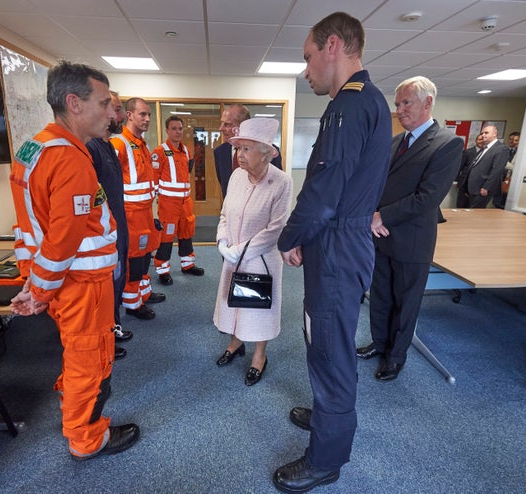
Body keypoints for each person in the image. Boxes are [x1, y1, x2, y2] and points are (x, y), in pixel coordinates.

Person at [274, 12, 391, 493]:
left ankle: (326, 458)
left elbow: (322, 191)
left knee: (330, 351)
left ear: (334, 46)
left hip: (339, 245)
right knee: (325, 342)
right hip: (342, 241)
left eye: (307, 57)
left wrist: (289, 236)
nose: (306, 70)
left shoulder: (350, 105)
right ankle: (329, 419)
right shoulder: (368, 101)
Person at [8, 60, 139, 460]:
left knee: (75, 351)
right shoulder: (69, 158)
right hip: (80, 284)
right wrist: (40, 292)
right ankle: (87, 438)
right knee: (90, 357)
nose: (110, 113)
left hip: (58, 280)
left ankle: (75, 408)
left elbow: (34, 226)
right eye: (103, 103)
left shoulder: (34, 146)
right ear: (73, 103)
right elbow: (63, 238)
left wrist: (35, 284)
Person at [357, 76, 462, 381]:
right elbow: (377, 185)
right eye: (398, 104)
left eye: (406, 103)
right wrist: (371, 215)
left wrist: (381, 216)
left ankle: (396, 356)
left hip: (411, 238)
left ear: (428, 102)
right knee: (379, 295)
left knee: (406, 301)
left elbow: (427, 198)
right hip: (380, 235)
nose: (400, 109)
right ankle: (379, 343)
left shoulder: (447, 143)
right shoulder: (394, 142)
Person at [213, 118, 292, 386]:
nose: (239, 155)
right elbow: (225, 213)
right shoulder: (236, 176)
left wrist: (240, 251)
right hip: (232, 254)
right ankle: (236, 343)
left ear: (266, 153)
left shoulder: (281, 182)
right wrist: (223, 240)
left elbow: (275, 228)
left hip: (261, 259)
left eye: (246, 149)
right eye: (238, 149)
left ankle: (259, 355)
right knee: (233, 301)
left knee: (258, 308)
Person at [86, 91, 132, 358]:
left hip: (119, 225)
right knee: (107, 285)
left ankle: (113, 326)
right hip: (105, 233)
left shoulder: (108, 145)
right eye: (114, 109)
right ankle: (104, 340)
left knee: (117, 279)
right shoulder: (91, 148)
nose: (120, 116)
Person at [110, 97, 165, 320]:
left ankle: (144, 293)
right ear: (129, 115)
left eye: (149, 115)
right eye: (142, 114)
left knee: (144, 255)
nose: (148, 119)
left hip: (144, 212)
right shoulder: (118, 143)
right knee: (133, 259)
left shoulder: (142, 144)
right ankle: (133, 305)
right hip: (129, 214)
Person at [152, 115, 205, 285]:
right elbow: (153, 178)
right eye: (173, 128)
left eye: (180, 128)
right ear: (167, 131)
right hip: (168, 203)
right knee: (167, 237)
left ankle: (187, 265)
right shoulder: (159, 152)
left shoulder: (186, 151)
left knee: (186, 231)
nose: (177, 131)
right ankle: (163, 270)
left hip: (185, 202)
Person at [213, 104, 282, 198]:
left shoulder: (268, 151)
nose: (221, 128)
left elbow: (276, 187)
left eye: (227, 124)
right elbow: (224, 188)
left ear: (243, 125)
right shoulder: (220, 153)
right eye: (221, 123)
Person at [456, 125, 509, 208]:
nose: (483, 135)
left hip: (482, 189)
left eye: (486, 133)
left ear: (495, 134)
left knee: (475, 214)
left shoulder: (501, 149)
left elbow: (497, 171)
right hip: (472, 189)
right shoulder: (484, 148)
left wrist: (487, 187)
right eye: (482, 133)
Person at [493, 131, 520, 209]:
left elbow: (517, 168)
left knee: (504, 203)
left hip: (509, 180)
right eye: (511, 139)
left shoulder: (520, 153)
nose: (512, 142)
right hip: (499, 179)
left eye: (516, 140)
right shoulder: (504, 150)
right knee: (496, 202)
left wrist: (503, 162)